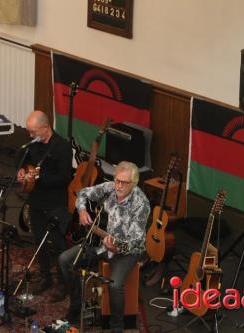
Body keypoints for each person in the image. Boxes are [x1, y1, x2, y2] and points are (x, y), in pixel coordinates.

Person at [58, 161, 150, 332]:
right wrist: (82, 211)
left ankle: (117, 327)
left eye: (124, 182)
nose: (119, 185)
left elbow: (137, 240)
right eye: (117, 180)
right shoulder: (110, 187)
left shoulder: (141, 204)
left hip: (126, 250)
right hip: (100, 243)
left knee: (115, 285)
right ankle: (77, 306)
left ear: (134, 183)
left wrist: (117, 248)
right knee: (65, 260)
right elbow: (83, 193)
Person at [16, 110, 72, 295]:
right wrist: (23, 172)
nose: (31, 135)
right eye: (29, 132)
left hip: (55, 202)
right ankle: (45, 276)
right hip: (36, 200)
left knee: (58, 243)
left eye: (33, 131)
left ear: (45, 128)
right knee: (38, 240)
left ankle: (64, 283)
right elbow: (23, 163)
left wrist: (40, 177)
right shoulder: (33, 145)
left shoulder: (62, 147)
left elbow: (64, 179)